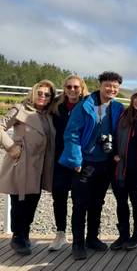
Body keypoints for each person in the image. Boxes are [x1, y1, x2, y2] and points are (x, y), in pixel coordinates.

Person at [59, 71, 124, 260]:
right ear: (100, 85)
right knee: (80, 203)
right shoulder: (84, 105)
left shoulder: (117, 107)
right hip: (85, 164)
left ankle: (92, 238)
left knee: (98, 202)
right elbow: (71, 133)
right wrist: (76, 161)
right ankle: (78, 243)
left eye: (115, 86)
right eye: (108, 85)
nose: (111, 89)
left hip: (105, 164)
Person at [0, 80, 56, 255]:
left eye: (47, 94)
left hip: (40, 166)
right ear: (33, 92)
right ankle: (18, 237)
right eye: (40, 93)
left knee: (33, 202)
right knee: (19, 202)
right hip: (21, 163)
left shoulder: (48, 115)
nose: (43, 96)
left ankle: (25, 234)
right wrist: (10, 147)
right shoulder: (19, 109)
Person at [49, 75, 89, 251]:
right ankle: (60, 233)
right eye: (69, 87)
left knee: (79, 199)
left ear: (82, 88)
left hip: (81, 159)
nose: (72, 90)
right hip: (60, 159)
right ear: (64, 88)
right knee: (59, 196)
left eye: (76, 87)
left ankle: (79, 237)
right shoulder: (56, 107)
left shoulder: (87, 106)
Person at [110, 87, 137, 251]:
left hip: (136, 167)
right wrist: (114, 154)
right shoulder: (122, 115)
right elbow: (113, 135)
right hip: (118, 166)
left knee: (136, 201)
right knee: (121, 202)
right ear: (133, 98)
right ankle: (123, 235)